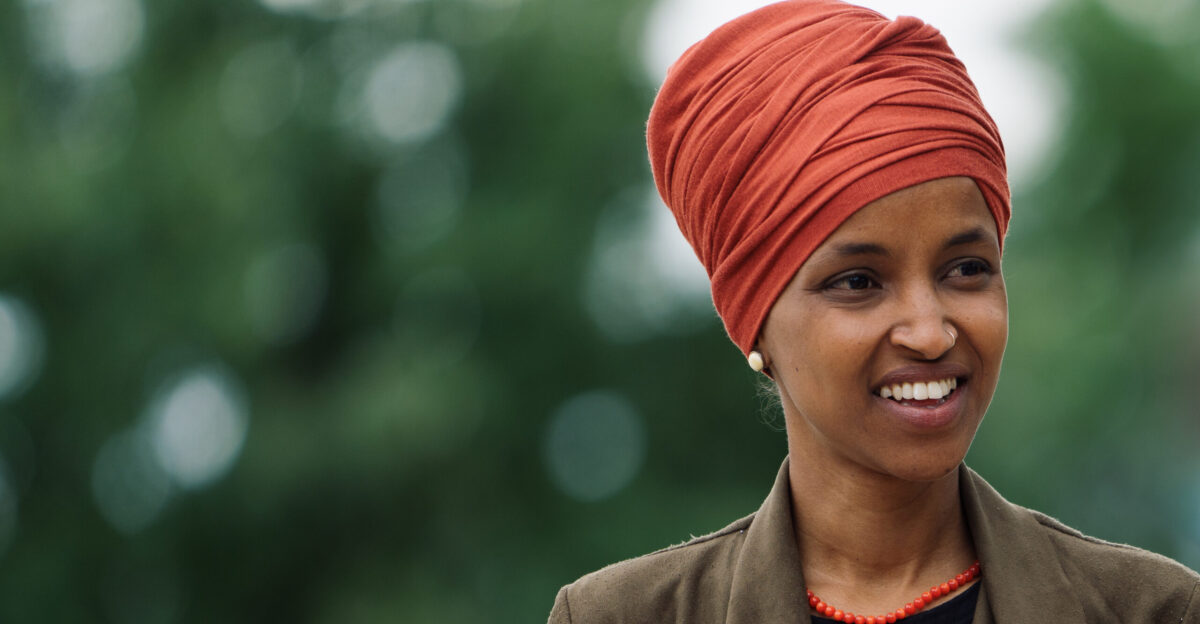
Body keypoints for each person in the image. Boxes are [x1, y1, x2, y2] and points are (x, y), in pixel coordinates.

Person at [546, 1, 1200, 622]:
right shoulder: (625, 615)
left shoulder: (1151, 610)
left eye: (966, 270)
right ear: (756, 324)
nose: (930, 330)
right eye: (859, 281)